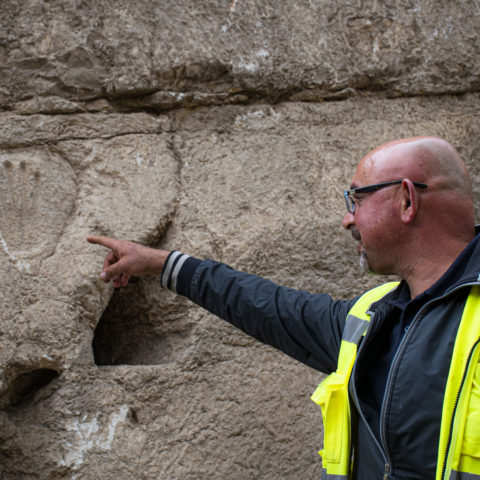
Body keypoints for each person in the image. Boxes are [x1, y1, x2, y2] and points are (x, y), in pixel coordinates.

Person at [87, 136, 480, 480]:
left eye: (356, 199)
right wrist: (161, 264)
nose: (347, 219)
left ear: (407, 200)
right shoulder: (373, 315)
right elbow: (272, 308)